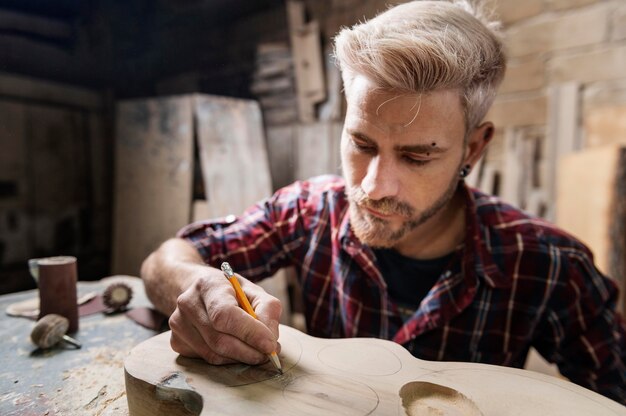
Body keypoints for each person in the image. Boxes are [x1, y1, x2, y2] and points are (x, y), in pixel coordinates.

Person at [141, 0, 626, 404]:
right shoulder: (307, 211)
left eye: (416, 157)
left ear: (474, 148)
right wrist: (200, 288)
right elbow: (169, 258)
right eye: (362, 144)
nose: (373, 187)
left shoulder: (548, 264)